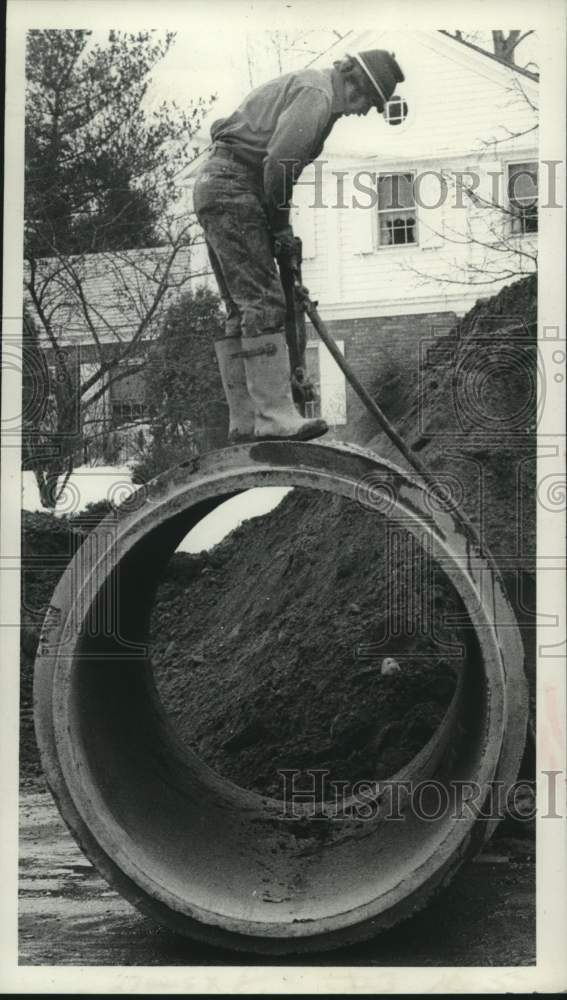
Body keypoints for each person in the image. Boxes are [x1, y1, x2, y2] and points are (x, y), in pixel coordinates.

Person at [193, 49, 405, 443]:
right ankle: (273, 416)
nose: (362, 112)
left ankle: (246, 419)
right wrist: (279, 227)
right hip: (234, 186)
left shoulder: (313, 90)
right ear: (354, 82)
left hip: (218, 185)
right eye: (367, 103)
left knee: (243, 308)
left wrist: (277, 229)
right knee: (263, 303)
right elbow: (278, 163)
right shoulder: (317, 95)